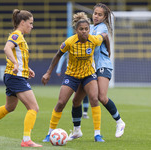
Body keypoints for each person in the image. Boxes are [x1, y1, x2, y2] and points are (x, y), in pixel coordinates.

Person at [0, 9, 42, 147]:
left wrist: (26, 68)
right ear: (22, 22)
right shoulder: (16, 35)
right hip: (15, 76)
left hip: (15, 76)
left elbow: (17, 55)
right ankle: (26, 140)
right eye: (30, 23)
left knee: (10, 107)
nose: (32, 26)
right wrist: (16, 63)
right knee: (33, 107)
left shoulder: (21, 36)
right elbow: (7, 48)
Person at [42, 12, 110, 143]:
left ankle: (97, 135)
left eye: (86, 29)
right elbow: (58, 55)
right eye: (81, 29)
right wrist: (48, 73)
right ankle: (49, 133)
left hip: (88, 75)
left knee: (94, 99)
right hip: (72, 75)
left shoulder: (94, 39)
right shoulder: (69, 42)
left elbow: (105, 36)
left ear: (89, 30)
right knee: (61, 103)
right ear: (76, 30)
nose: (84, 32)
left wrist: (108, 52)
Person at [68, 3, 125, 142]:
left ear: (104, 17)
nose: (96, 16)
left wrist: (81, 35)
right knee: (76, 100)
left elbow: (100, 39)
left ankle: (119, 122)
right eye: (95, 13)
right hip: (89, 68)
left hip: (102, 65)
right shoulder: (91, 27)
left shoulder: (102, 27)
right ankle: (76, 131)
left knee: (101, 96)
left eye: (100, 14)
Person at [56, 52, 90, 119]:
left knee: (85, 92)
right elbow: (63, 56)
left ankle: (85, 112)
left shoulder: (86, 44)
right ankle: (77, 114)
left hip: (84, 72)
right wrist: (58, 69)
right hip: (71, 74)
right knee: (75, 97)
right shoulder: (70, 43)